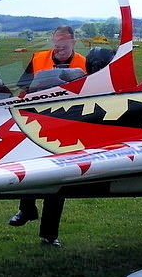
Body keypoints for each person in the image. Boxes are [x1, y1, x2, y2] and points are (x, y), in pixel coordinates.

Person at [8, 26, 89, 246]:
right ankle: (26, 209)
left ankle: (49, 235)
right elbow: (23, 88)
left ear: (74, 43)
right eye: (56, 46)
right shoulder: (38, 58)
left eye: (64, 46)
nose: (60, 50)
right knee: (29, 168)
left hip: (67, 125)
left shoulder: (85, 63)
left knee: (57, 180)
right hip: (36, 122)